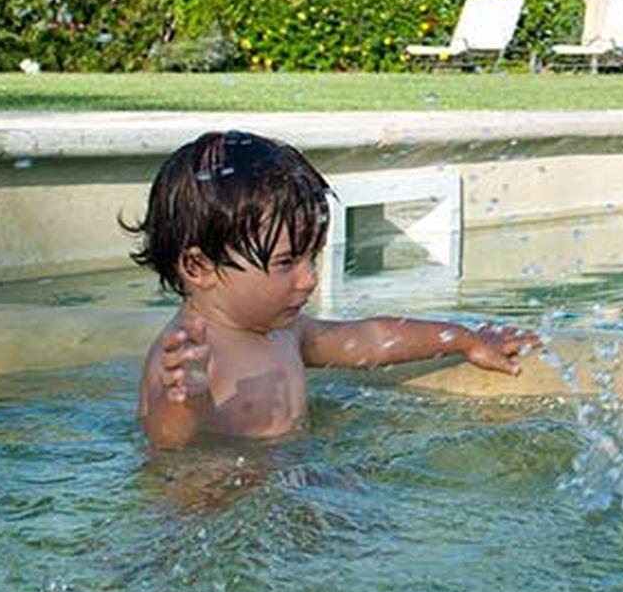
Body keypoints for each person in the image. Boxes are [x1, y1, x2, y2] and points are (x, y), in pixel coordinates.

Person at [130, 130, 538, 449]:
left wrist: (463, 340)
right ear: (198, 266)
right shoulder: (185, 355)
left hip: (279, 484)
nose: (309, 279)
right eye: (287, 263)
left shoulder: (286, 332)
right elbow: (168, 444)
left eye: (313, 257)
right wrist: (185, 400)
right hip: (207, 511)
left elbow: (370, 340)